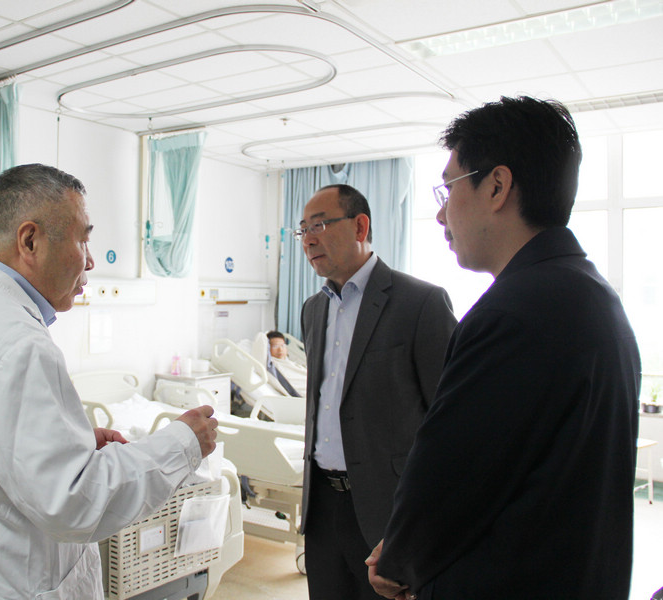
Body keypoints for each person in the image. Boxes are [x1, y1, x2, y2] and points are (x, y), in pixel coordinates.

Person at [0, 164, 218, 599]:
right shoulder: (18, 342)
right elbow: (74, 502)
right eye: (83, 239)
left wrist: (72, 442)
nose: (90, 260)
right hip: (4, 583)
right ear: (30, 241)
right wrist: (182, 443)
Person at [367, 97, 641, 600]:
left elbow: (451, 476)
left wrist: (399, 558)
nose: (441, 213)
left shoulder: (512, 314)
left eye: (448, 188)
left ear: (496, 186)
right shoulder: (593, 296)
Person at [297, 183, 457, 599]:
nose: (308, 240)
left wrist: (425, 522)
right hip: (322, 509)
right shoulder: (313, 310)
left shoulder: (420, 303)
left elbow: (450, 425)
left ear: (360, 226)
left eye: (319, 225)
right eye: (303, 230)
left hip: (389, 512)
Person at [265, 330, 305, 397]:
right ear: (268, 348)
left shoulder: (290, 363)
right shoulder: (274, 366)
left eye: (282, 345)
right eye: (275, 346)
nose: (280, 350)